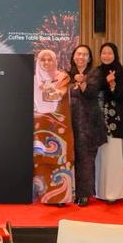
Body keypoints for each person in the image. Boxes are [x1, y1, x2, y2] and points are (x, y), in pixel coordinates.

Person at [33, 50, 74, 205]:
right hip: (38, 126)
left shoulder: (62, 76)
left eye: (50, 59)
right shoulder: (34, 79)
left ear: (55, 61)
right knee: (40, 160)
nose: (46, 63)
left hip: (58, 127)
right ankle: (42, 195)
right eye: (43, 60)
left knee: (59, 160)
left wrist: (50, 90)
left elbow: (59, 94)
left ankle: (61, 197)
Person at [68, 44, 106, 207]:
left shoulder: (95, 73)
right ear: (73, 57)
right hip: (71, 121)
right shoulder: (67, 74)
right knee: (72, 156)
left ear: (89, 58)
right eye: (78, 54)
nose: (81, 57)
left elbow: (91, 93)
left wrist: (82, 82)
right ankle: (72, 191)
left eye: (84, 54)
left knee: (85, 158)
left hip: (88, 122)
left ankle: (84, 194)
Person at [95, 43, 123, 203]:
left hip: (114, 119)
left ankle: (113, 193)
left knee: (113, 155)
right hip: (98, 118)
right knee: (100, 155)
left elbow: (120, 96)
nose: (106, 56)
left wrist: (112, 83)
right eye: (104, 53)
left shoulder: (121, 71)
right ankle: (100, 192)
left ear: (115, 54)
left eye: (109, 53)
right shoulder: (96, 71)